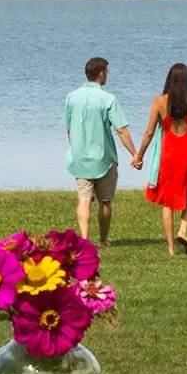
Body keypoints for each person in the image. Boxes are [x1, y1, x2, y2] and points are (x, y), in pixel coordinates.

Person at [62, 56, 140, 245]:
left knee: (84, 199)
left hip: (79, 157)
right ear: (102, 74)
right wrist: (134, 154)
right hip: (104, 158)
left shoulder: (72, 97)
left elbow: (69, 128)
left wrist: (75, 147)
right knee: (106, 201)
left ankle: (85, 239)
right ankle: (103, 240)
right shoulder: (108, 98)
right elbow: (121, 129)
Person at [137, 61, 187, 256]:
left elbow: (149, 132)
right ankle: (183, 230)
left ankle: (171, 249)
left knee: (168, 201)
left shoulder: (159, 102)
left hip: (168, 153)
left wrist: (139, 156)